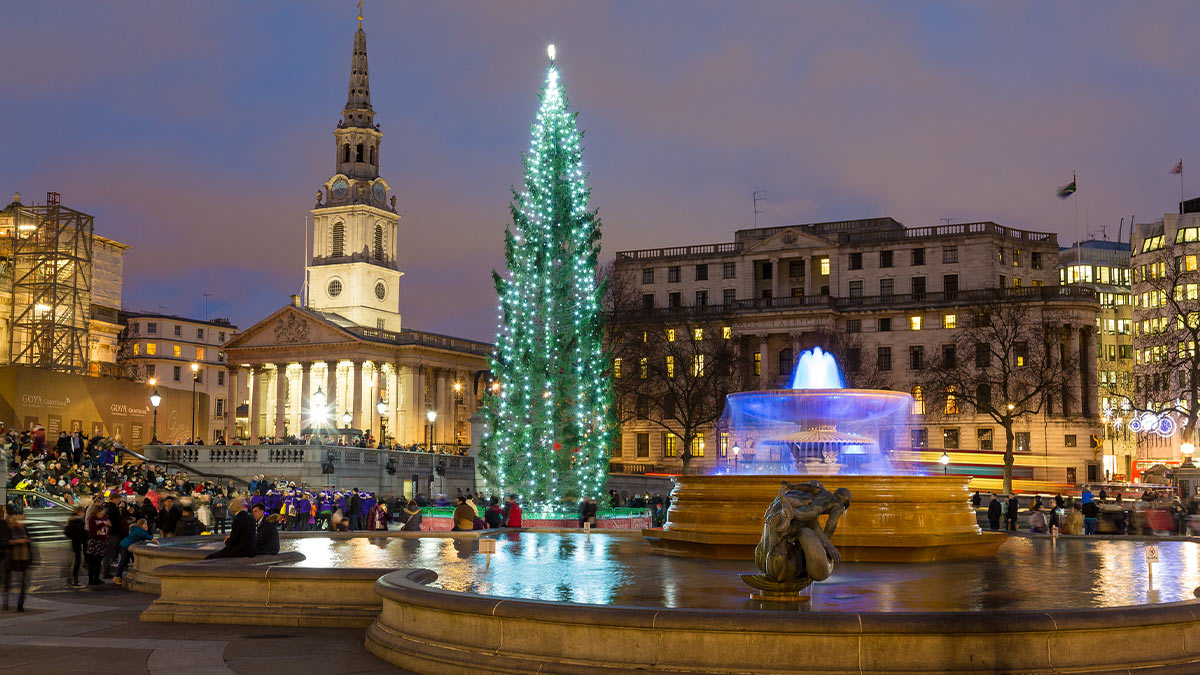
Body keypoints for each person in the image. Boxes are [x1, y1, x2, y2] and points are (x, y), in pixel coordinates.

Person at [2, 511, 33, 611]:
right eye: (20, 519)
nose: (23, 521)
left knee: (23, 583)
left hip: (24, 559)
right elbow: (5, 542)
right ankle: (5, 603)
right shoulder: (9, 529)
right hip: (11, 559)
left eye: (23, 519)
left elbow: (30, 544)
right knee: (8, 582)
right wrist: (18, 541)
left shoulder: (24, 529)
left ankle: (20, 605)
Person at [114, 518, 157, 585]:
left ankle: (132, 574)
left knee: (134, 560)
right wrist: (154, 540)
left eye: (146, 524)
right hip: (125, 546)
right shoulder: (138, 530)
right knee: (123, 561)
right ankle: (117, 576)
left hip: (128, 546)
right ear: (140, 525)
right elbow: (145, 536)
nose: (147, 525)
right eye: (145, 524)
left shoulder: (139, 530)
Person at [85, 505, 111, 585]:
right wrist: (102, 524)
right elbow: (92, 530)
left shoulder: (103, 519)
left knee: (99, 562)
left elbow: (106, 526)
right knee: (93, 562)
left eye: (102, 514)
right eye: (100, 514)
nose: (101, 515)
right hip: (95, 542)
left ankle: (97, 578)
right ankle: (91, 579)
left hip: (102, 542)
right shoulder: (92, 519)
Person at [63, 506, 87, 587]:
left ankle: (70, 580)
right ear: (80, 512)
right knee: (77, 562)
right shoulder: (77, 521)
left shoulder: (71, 519)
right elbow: (81, 533)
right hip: (76, 543)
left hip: (73, 543)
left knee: (74, 563)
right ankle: (74, 581)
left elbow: (66, 532)